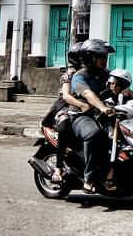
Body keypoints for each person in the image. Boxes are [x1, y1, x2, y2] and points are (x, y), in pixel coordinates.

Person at [70, 38, 116, 193]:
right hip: (80, 116)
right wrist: (102, 107)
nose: (104, 60)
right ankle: (89, 178)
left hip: (101, 115)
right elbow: (87, 94)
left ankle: (110, 174)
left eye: (105, 57)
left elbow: (122, 88)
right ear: (90, 58)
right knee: (94, 133)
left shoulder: (107, 74)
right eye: (100, 57)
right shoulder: (79, 76)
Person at [39, 41, 88, 183]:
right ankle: (59, 168)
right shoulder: (69, 74)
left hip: (83, 108)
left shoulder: (90, 73)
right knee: (65, 125)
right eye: (84, 56)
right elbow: (66, 96)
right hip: (65, 108)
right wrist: (81, 104)